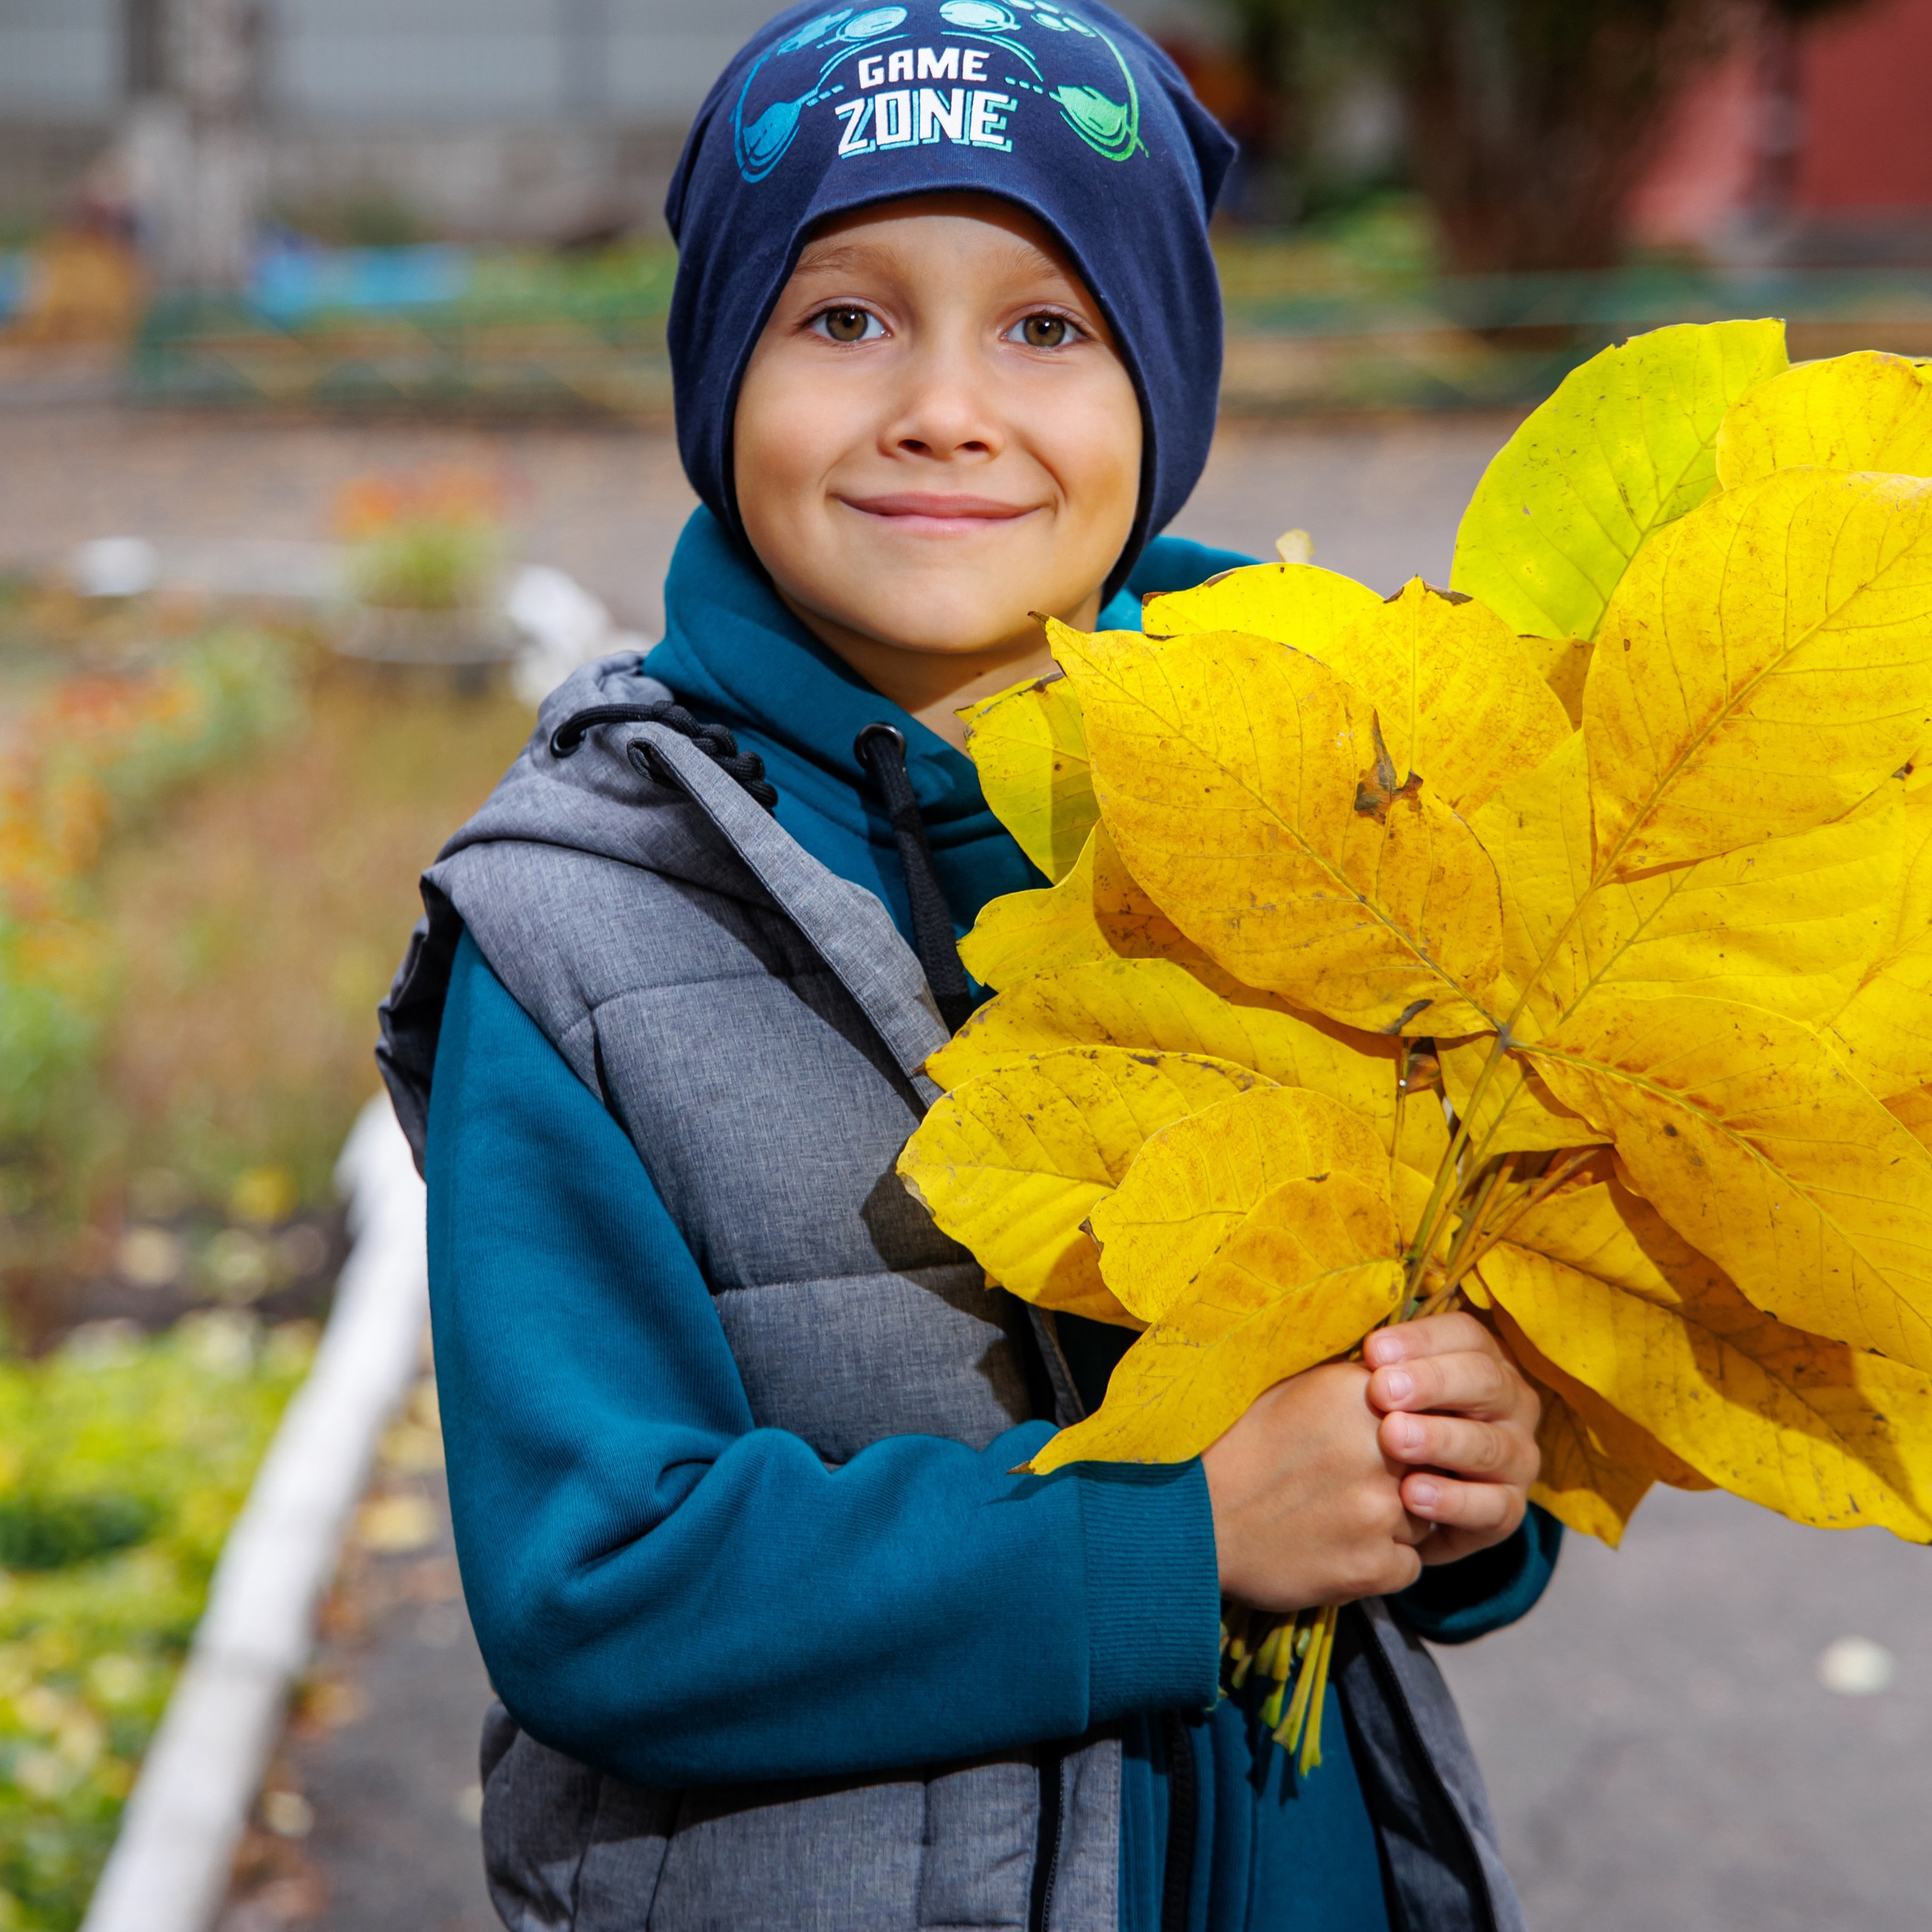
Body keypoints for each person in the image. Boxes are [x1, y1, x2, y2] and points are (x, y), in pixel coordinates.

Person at [379, 5, 1560, 1927]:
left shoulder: (1342, 827)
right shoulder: (574, 929)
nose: (941, 405)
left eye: (1044, 325)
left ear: (1158, 392)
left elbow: (1417, 1369)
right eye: (840, 320)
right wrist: (1168, 1548)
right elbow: (596, 1586)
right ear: (718, 377)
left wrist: (1452, 1474)